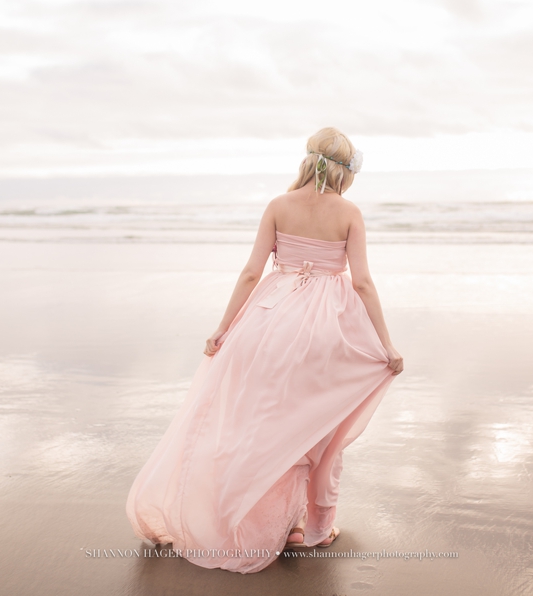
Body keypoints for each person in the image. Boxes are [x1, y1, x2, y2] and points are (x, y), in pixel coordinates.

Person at [125, 127, 404, 573]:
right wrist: (386, 345)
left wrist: (222, 330)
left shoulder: (278, 206)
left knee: (264, 423)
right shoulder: (349, 212)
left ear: (306, 159)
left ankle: (258, 518)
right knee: (314, 428)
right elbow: (364, 282)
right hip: (326, 333)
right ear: (346, 170)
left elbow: (251, 273)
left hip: (268, 323)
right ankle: (310, 527)